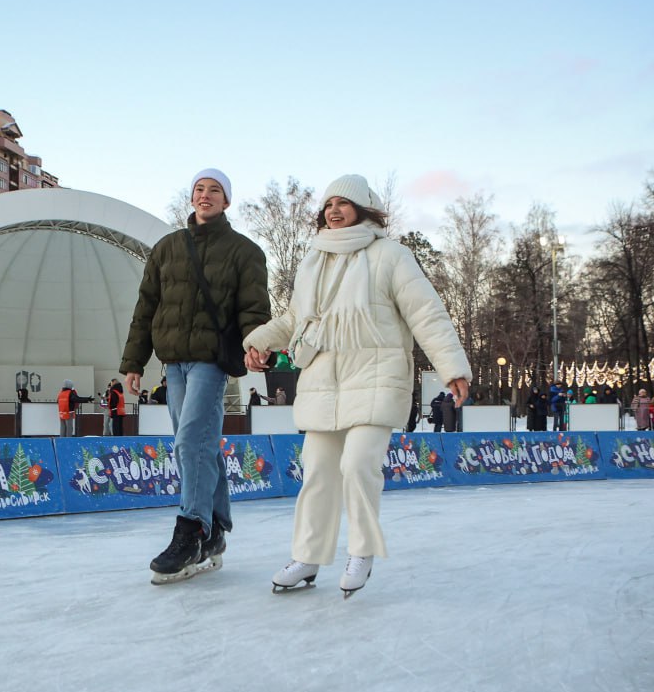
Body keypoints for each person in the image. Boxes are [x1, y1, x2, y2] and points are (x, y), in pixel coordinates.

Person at [243, 174, 471, 597]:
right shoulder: (313, 260)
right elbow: (296, 321)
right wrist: (258, 339)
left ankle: (362, 550)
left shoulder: (390, 255)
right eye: (328, 203)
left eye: (343, 202)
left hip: (376, 375)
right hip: (324, 382)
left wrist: (452, 367)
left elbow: (426, 312)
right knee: (317, 471)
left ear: (364, 209)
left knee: (358, 463)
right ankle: (308, 557)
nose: (334, 210)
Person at [120, 167, 270, 584]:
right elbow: (146, 306)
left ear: (227, 201)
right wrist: (134, 362)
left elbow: (254, 310)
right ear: (191, 198)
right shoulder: (167, 248)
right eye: (199, 189)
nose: (205, 196)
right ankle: (216, 530)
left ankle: (191, 530)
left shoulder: (245, 251)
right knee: (201, 445)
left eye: (215, 190)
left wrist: (258, 345)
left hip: (210, 360)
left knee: (190, 441)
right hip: (174, 362)